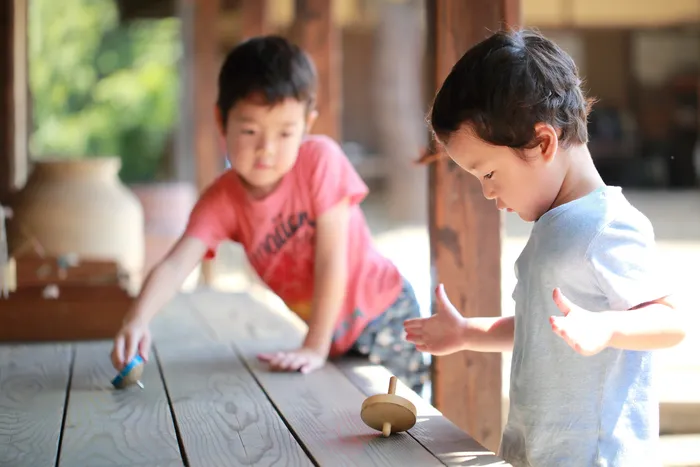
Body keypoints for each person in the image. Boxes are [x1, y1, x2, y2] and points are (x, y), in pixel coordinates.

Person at [405, 29, 689, 466]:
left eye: (488, 173)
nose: (486, 192)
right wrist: (467, 333)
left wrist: (607, 327)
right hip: (538, 447)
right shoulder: (553, 224)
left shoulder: (606, 225)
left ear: (542, 143)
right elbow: (540, 330)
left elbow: (671, 322)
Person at [111, 35, 428, 392]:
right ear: (221, 121)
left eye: (285, 132)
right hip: (328, 340)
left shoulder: (320, 161)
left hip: (385, 314)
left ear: (307, 124)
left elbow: (331, 260)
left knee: (404, 424)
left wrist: (314, 346)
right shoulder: (223, 200)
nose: (266, 149)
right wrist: (136, 320)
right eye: (249, 130)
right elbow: (174, 265)